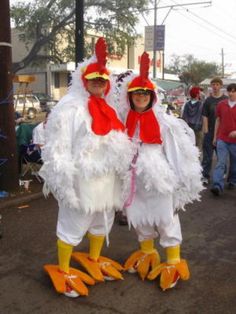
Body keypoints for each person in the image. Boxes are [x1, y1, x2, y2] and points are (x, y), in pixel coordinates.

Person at [39, 38, 132, 298]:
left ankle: (93, 258)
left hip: (107, 178)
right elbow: (58, 146)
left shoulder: (110, 108)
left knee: (103, 220)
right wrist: (63, 180)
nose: (98, 83)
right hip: (82, 178)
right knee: (74, 223)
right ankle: (64, 268)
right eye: (93, 79)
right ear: (83, 80)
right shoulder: (70, 108)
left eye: (102, 80)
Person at [117, 52, 203, 291]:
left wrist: (181, 187)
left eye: (145, 93)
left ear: (152, 96)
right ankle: (147, 252)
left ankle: (173, 261)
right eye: (137, 94)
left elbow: (177, 156)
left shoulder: (165, 123)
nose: (141, 97)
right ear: (130, 97)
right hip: (135, 181)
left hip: (160, 181)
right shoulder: (125, 120)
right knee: (140, 220)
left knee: (166, 220)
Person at [210, 83, 236, 196]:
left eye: (233, 91)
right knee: (221, 162)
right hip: (222, 139)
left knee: (234, 164)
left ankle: (232, 181)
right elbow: (218, 120)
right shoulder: (221, 104)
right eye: (229, 91)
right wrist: (215, 137)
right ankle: (217, 185)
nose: (230, 93)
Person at [201, 77, 228, 185]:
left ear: (221, 86)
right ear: (211, 86)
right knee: (207, 156)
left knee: (221, 156)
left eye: (217, 84)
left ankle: (222, 173)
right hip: (210, 131)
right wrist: (206, 130)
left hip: (222, 132)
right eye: (213, 84)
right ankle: (205, 176)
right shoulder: (208, 100)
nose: (215, 86)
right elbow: (204, 116)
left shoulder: (226, 99)